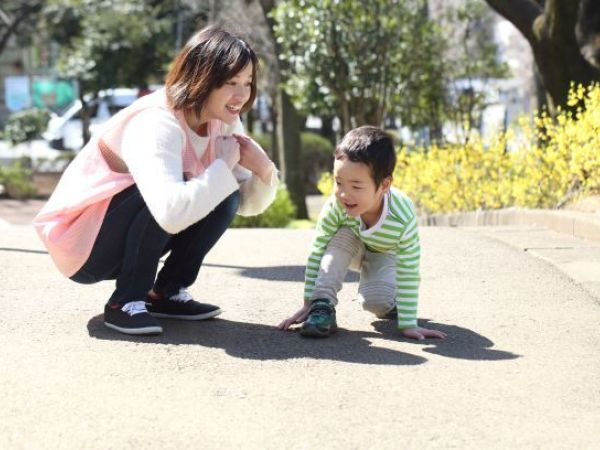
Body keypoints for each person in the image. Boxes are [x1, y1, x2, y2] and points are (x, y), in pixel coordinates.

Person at [34, 26, 278, 336]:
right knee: (181, 188)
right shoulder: (156, 122)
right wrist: (221, 167)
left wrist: (264, 170)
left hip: (123, 230)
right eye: (231, 82)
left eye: (248, 83)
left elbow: (243, 204)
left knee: (223, 193)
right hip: (82, 245)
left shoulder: (222, 118)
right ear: (201, 78)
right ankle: (125, 302)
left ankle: (166, 292)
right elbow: (168, 211)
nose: (242, 95)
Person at [278, 126, 446, 340]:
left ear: (384, 185)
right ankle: (323, 307)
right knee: (344, 233)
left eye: (356, 186)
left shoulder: (401, 216)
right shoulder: (336, 206)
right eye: (339, 183)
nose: (344, 194)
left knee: (374, 302)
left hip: (385, 253)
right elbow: (318, 250)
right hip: (349, 246)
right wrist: (308, 303)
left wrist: (408, 323)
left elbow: (409, 269)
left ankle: (390, 300)